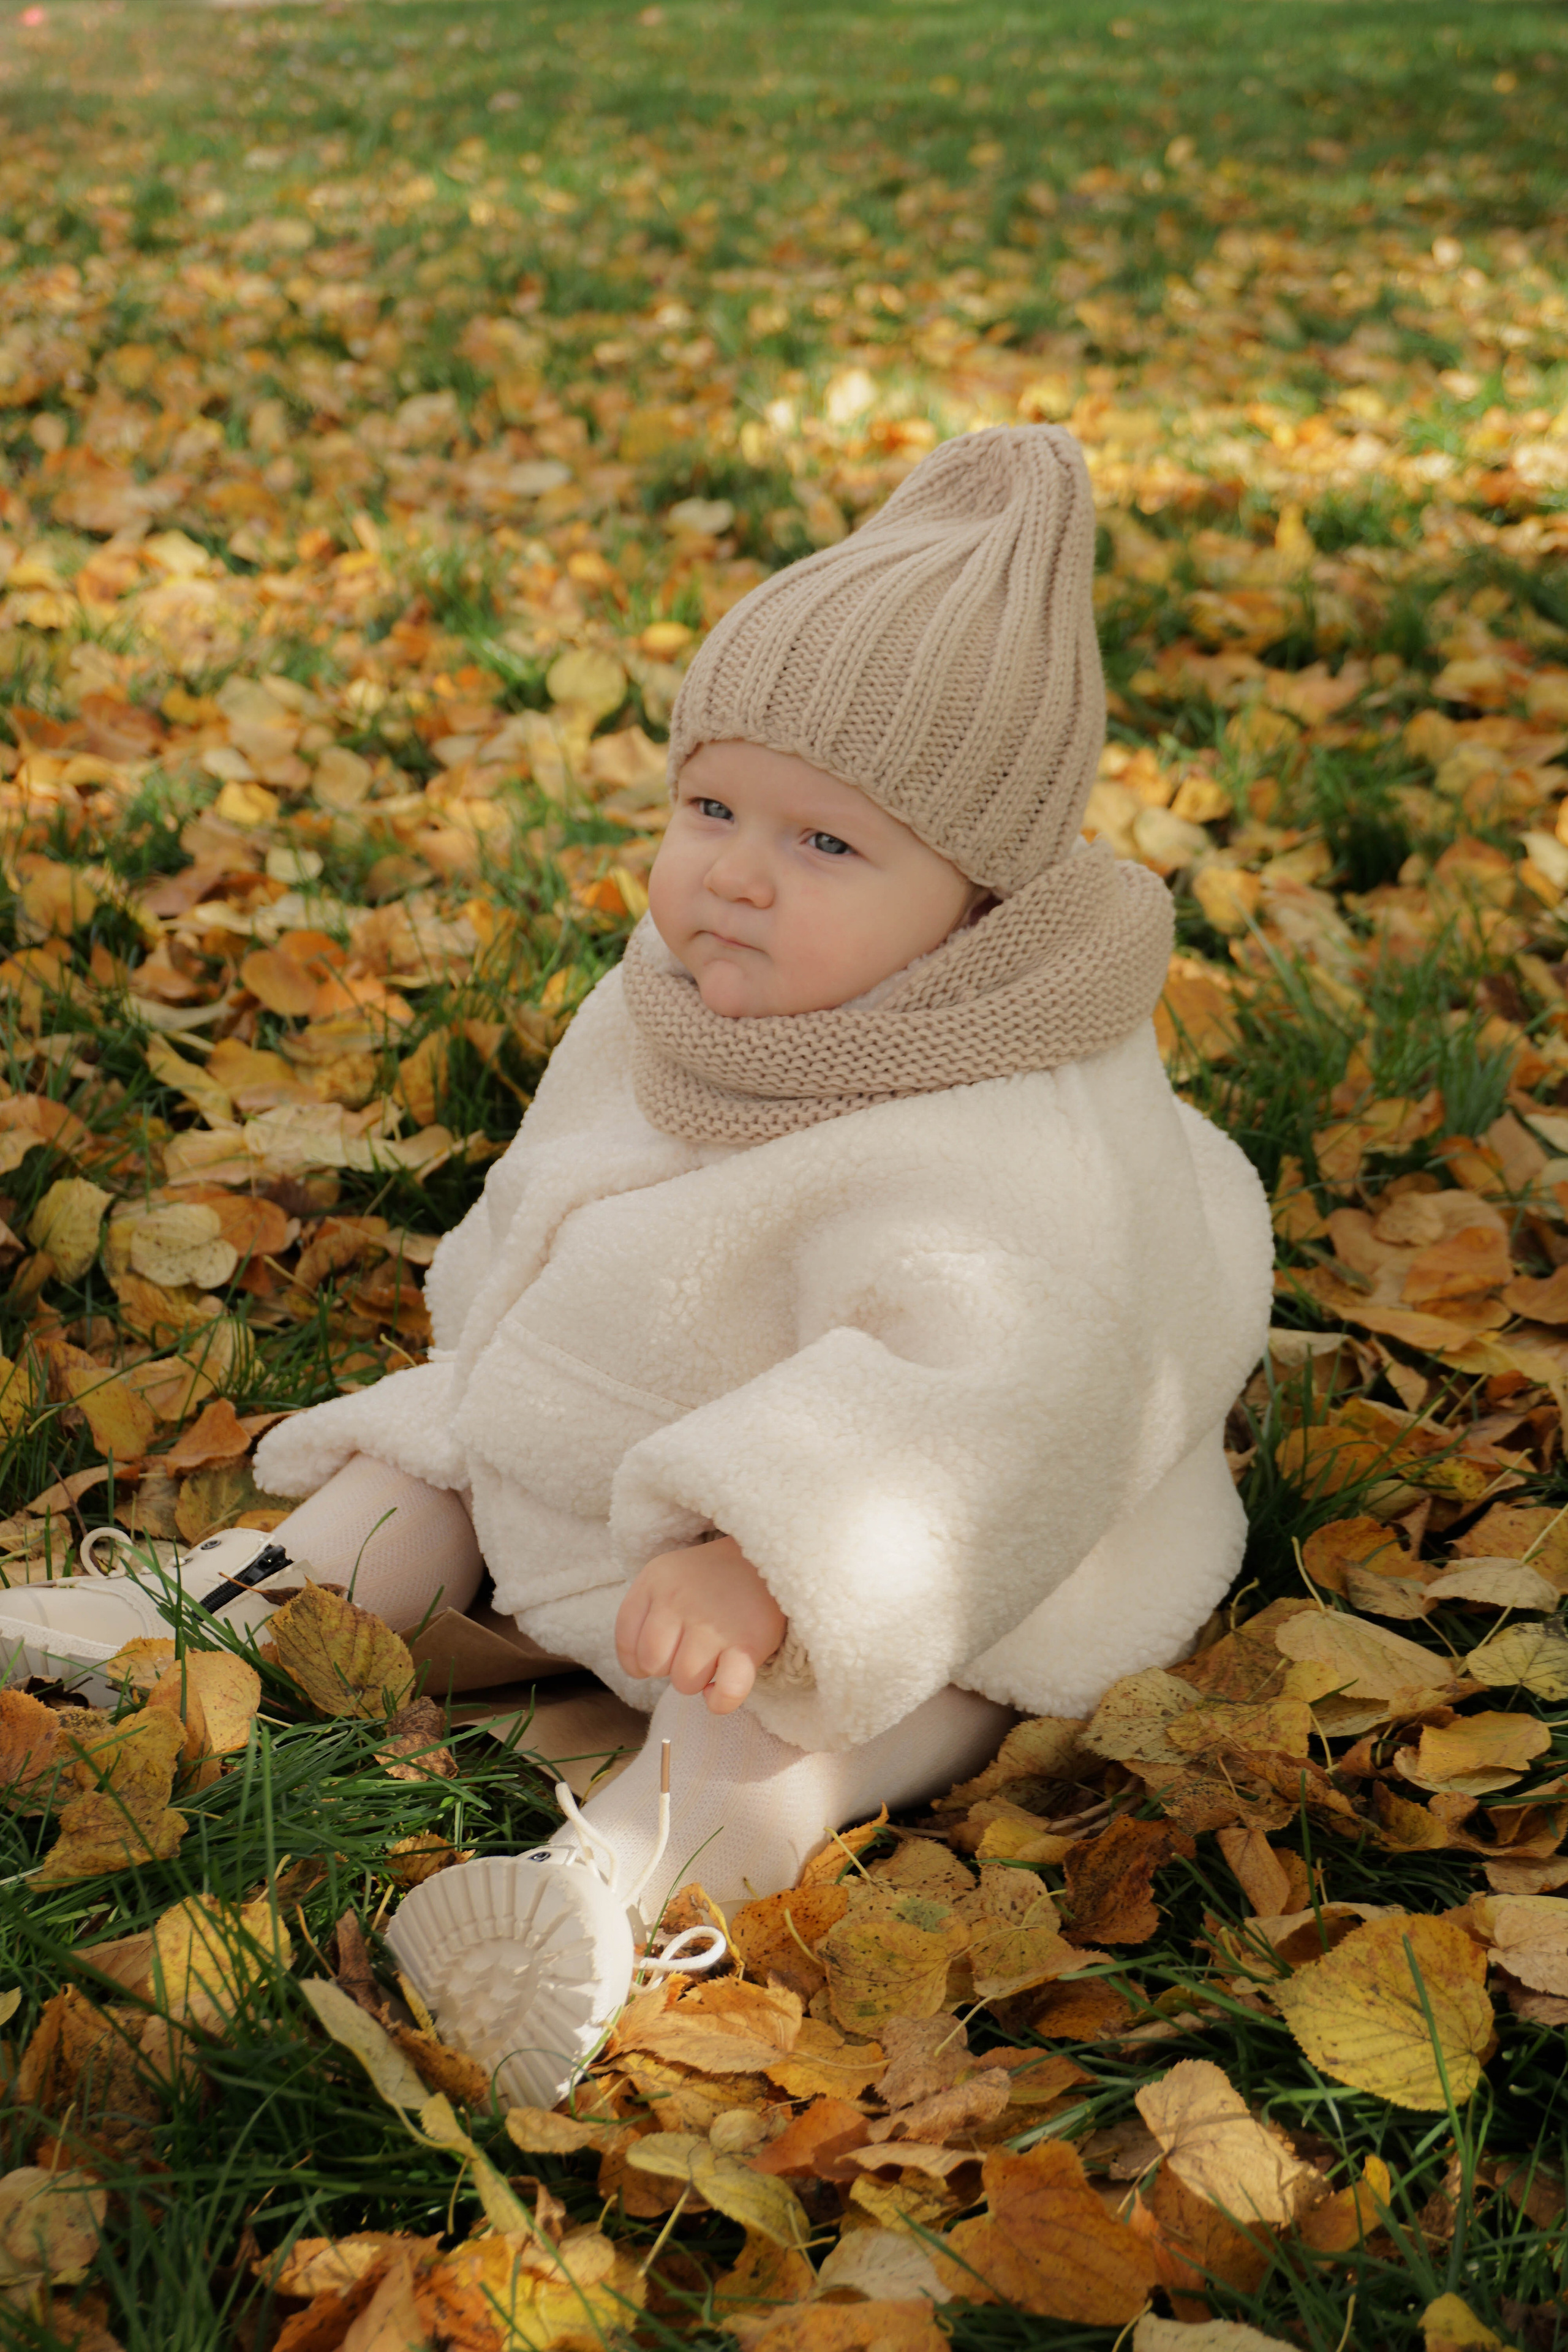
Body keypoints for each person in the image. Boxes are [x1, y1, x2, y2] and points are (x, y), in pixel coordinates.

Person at [4, 428, 1272, 2082]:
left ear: (979, 901)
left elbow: (1000, 1412)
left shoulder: (1018, 1148)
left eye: (826, 845)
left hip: (931, 1565)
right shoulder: (700, 984)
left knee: (802, 1719)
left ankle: (613, 1885)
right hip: (632, 1453)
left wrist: (774, 1557)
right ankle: (229, 1615)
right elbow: (572, 1190)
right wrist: (506, 1386)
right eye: (712, 806)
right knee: (418, 1471)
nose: (735, 874)